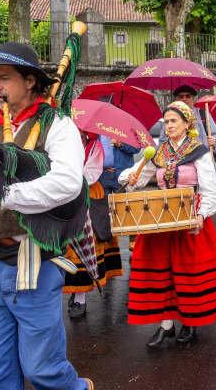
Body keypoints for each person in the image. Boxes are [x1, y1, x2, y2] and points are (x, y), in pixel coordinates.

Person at [0, 42, 92, 390]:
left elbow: (68, 183)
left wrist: (5, 196)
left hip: (34, 261)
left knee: (42, 368)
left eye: (5, 78)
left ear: (30, 81)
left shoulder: (57, 124)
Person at [119, 101, 216, 348]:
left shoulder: (199, 150)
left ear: (188, 124)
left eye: (173, 121)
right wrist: (131, 178)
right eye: (165, 122)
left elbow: (210, 191)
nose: (167, 126)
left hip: (190, 220)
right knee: (162, 274)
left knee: (188, 275)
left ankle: (190, 321)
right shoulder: (158, 152)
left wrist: (200, 216)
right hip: (162, 220)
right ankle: (166, 325)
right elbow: (137, 178)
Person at [64, 134, 128, 319]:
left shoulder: (97, 143)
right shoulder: (64, 138)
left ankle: (80, 298)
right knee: (68, 247)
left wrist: (70, 173)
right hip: (67, 195)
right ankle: (75, 291)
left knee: (86, 245)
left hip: (89, 193)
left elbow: (97, 169)